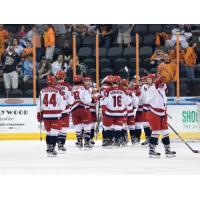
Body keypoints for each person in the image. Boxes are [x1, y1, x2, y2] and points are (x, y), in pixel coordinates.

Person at [146, 75, 176, 157]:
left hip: (162, 113)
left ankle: (167, 150)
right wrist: (154, 90)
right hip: (153, 113)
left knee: (165, 131)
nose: (162, 83)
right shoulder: (152, 89)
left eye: (162, 81)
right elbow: (147, 100)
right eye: (161, 81)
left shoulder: (163, 88)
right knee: (156, 132)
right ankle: (151, 150)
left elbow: (164, 100)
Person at [37, 75, 66, 156]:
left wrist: (38, 114)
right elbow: (62, 105)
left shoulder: (42, 91)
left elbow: (39, 104)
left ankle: (48, 148)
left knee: (48, 133)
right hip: (56, 114)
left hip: (46, 115)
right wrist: (60, 110)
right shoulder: (59, 91)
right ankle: (52, 149)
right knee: (54, 133)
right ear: (54, 82)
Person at [102, 76, 128, 147]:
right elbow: (127, 102)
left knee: (107, 127)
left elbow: (105, 102)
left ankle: (108, 140)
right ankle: (117, 141)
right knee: (118, 127)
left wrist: (103, 108)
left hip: (110, 112)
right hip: (120, 112)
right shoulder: (123, 90)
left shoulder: (108, 90)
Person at [71, 75, 93, 148]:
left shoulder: (71, 89)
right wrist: (93, 98)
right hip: (83, 108)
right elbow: (88, 100)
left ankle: (79, 141)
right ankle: (86, 142)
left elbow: (69, 101)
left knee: (78, 126)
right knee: (87, 126)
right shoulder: (84, 88)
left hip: (74, 110)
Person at [55, 70, 74, 151]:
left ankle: (55, 143)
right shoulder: (68, 86)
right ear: (64, 77)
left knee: (56, 128)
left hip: (55, 111)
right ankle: (61, 145)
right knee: (64, 128)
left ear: (56, 76)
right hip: (65, 110)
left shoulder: (54, 86)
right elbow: (71, 101)